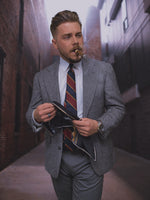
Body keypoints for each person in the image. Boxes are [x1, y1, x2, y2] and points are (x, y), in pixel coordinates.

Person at [26, 10, 125, 200]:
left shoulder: (104, 71)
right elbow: (30, 113)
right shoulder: (41, 78)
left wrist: (99, 125)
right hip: (58, 161)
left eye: (78, 35)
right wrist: (36, 116)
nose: (76, 41)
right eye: (67, 37)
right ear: (55, 43)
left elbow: (118, 107)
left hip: (91, 158)